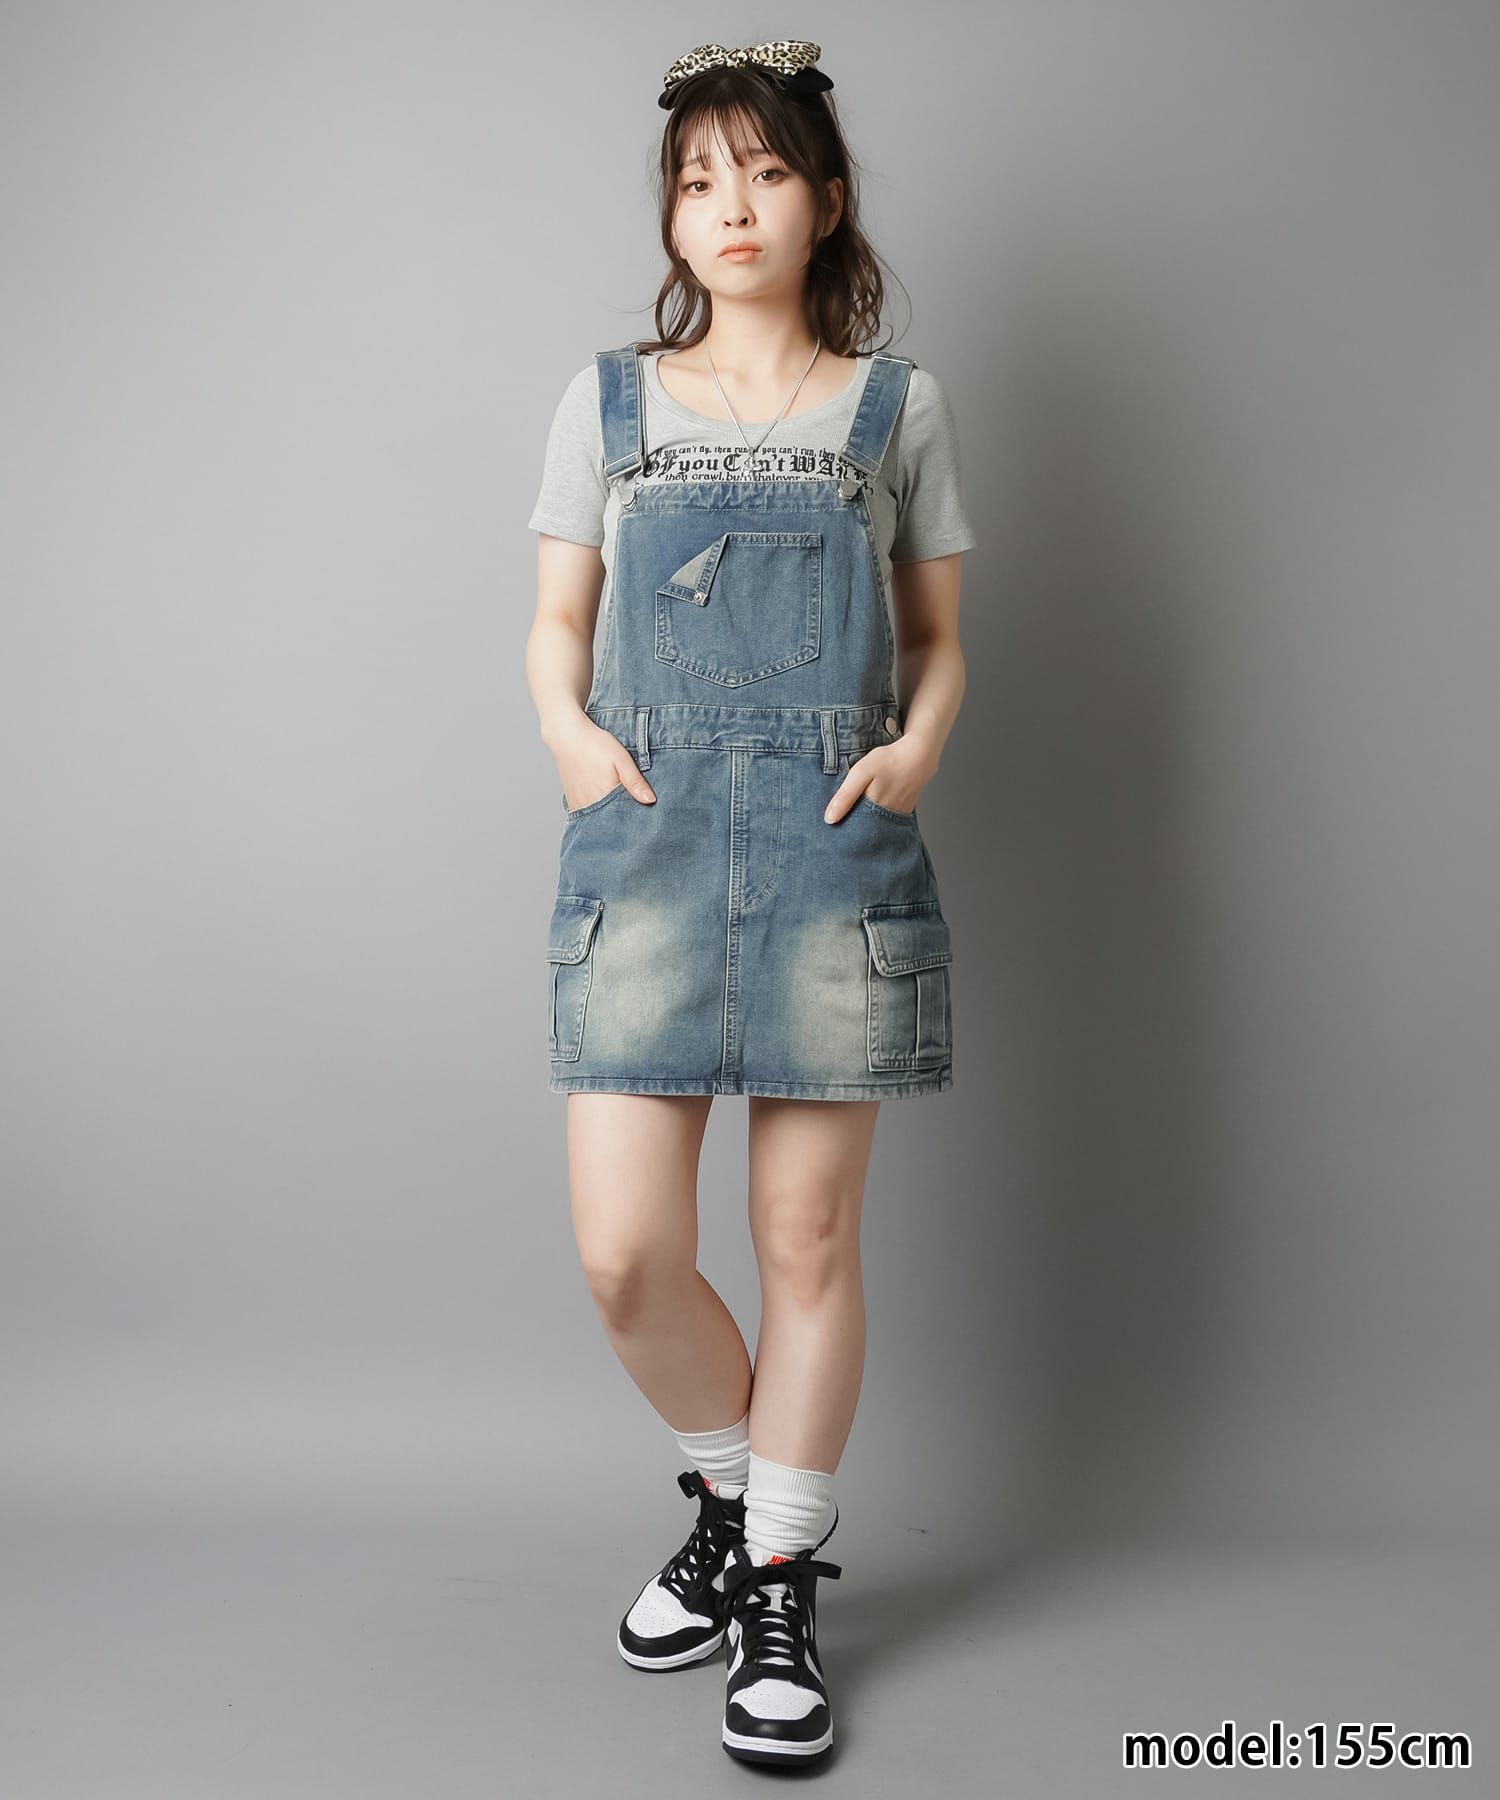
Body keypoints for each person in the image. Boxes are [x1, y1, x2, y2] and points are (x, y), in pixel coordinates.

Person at [524, 38, 974, 1767]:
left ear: (826, 200)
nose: (733, 207)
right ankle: (736, 1498)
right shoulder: (607, 404)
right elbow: (555, 627)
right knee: (626, 1252)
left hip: (832, 850)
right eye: (701, 179)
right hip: (641, 848)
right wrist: (571, 741)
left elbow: (937, 643)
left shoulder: (895, 408)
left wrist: (916, 753)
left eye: (768, 172)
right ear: (672, 210)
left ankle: (776, 1581)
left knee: (807, 1242)